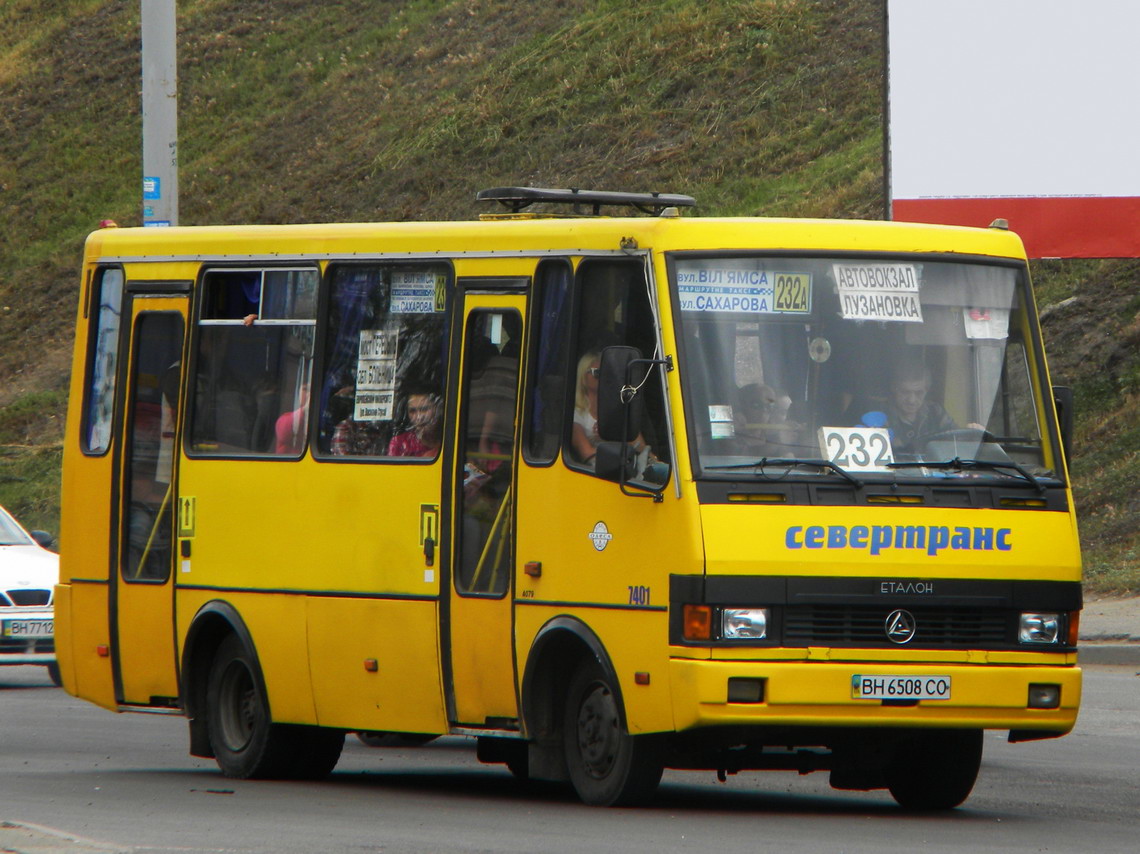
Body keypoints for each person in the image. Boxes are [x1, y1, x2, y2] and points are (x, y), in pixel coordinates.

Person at [570, 351, 655, 471]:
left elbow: (642, 448)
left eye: (607, 373)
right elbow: (587, 454)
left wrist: (610, 438)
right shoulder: (576, 413)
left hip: (628, 470)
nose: (603, 377)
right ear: (583, 377)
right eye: (598, 373)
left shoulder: (618, 408)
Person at [387, 389, 442, 457]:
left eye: (424, 410)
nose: (419, 417)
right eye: (412, 411)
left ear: (438, 409)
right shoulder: (399, 443)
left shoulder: (449, 438)